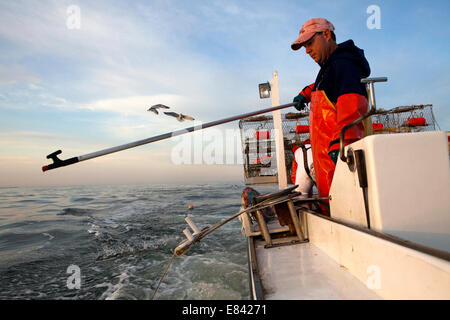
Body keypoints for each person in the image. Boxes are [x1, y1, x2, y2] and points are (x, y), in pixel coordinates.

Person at [291, 18, 370, 214]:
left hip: (337, 162)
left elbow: (352, 107)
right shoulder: (330, 67)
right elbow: (325, 85)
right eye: (304, 47)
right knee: (332, 209)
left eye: (309, 43)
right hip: (324, 163)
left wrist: (341, 148)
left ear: (326, 35)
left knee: (345, 213)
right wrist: (306, 92)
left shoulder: (344, 65)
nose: (307, 50)